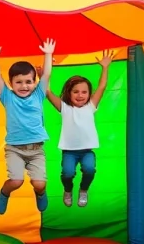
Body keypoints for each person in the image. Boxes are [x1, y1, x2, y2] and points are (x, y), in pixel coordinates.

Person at [0, 39, 55, 214]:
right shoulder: (7, 97)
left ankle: (40, 194)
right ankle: (4, 193)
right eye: (19, 82)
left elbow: (46, 74)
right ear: (11, 83)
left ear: (34, 82)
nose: (24, 86)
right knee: (16, 181)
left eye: (28, 82)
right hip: (15, 149)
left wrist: (48, 53)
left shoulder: (39, 94)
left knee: (39, 184)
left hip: (36, 150)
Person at [46, 50, 114, 207]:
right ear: (68, 93)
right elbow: (48, 92)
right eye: (75, 91)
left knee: (89, 169)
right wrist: (46, 72)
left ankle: (83, 190)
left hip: (87, 151)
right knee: (67, 173)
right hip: (69, 151)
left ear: (89, 94)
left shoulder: (91, 106)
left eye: (84, 92)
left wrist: (105, 67)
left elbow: (102, 86)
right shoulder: (64, 107)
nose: (80, 95)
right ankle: (68, 190)